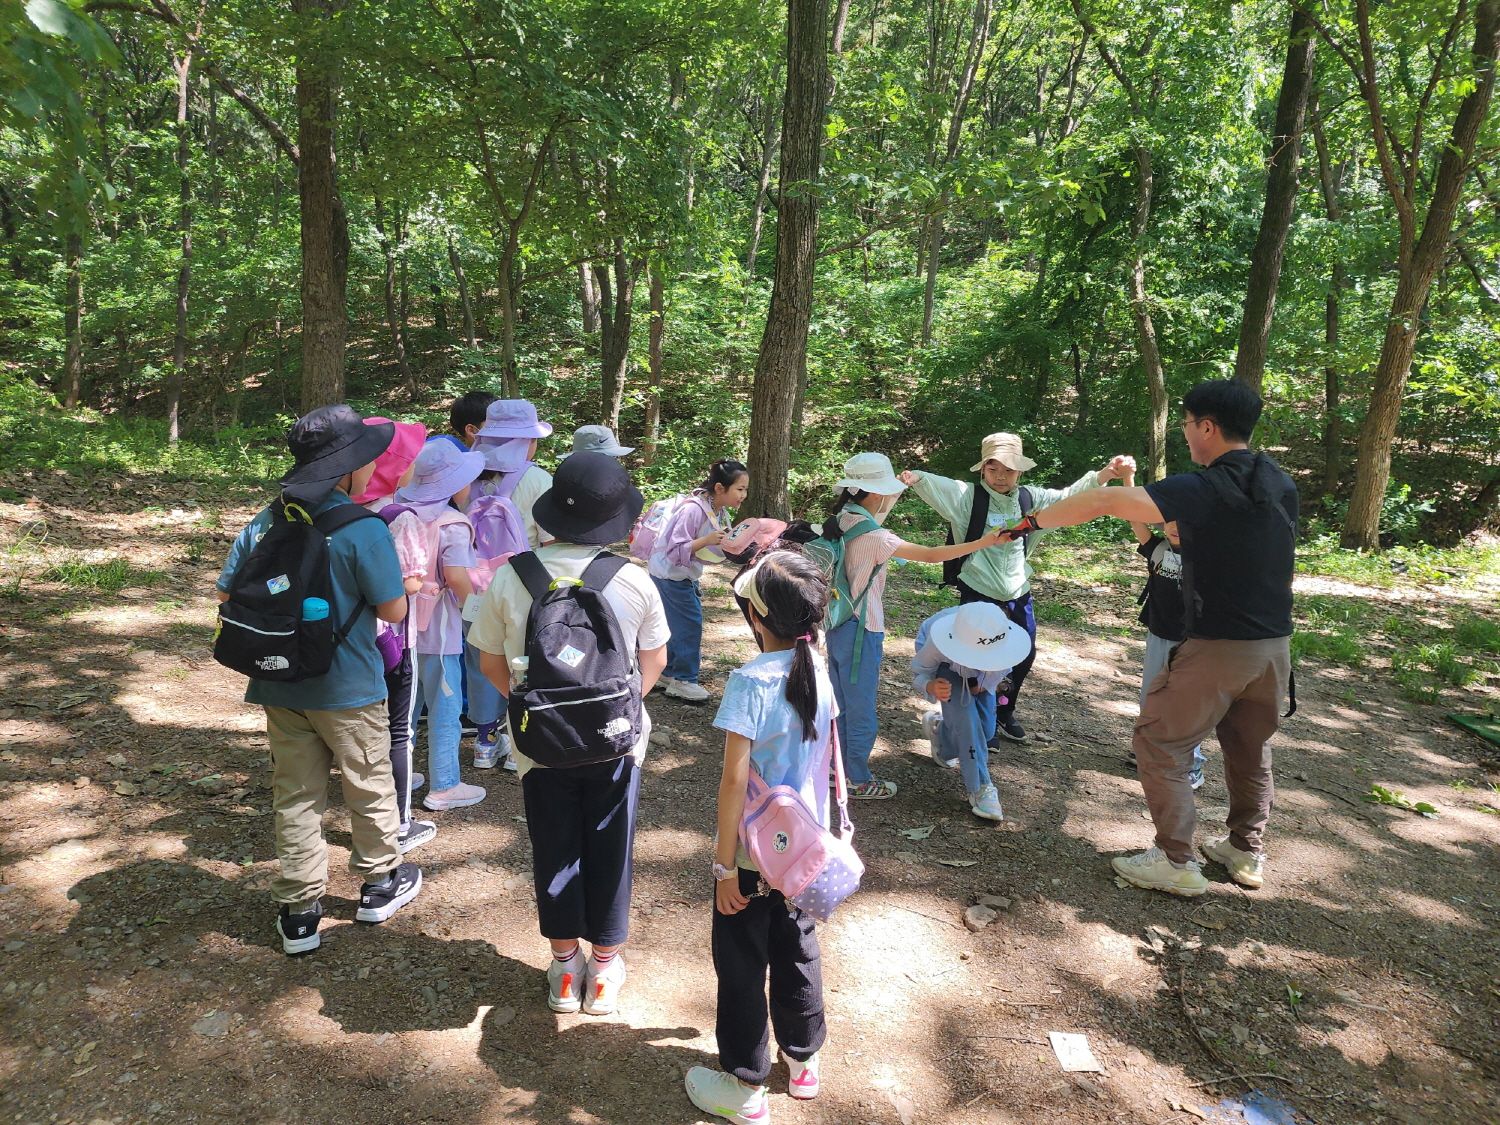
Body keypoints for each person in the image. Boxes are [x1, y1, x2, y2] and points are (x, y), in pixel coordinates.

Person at [992, 380, 1296, 895]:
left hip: (1216, 646)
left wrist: (1028, 523)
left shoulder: (1202, 488)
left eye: (1186, 424)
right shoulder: (1278, 482)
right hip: (1274, 649)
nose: (1186, 435)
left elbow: (1106, 501)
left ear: (1207, 426)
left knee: (1159, 742)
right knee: (1249, 749)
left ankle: (1176, 861)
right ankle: (1245, 849)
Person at [215, 404, 422, 955]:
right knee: (367, 781)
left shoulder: (265, 520)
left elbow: (226, 591)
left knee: (296, 794)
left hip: (278, 682)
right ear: (349, 469)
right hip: (349, 684)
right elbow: (394, 611)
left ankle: (300, 908)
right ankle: (379, 883)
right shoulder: (361, 528)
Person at [470, 452, 669, 1015]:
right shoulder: (632, 580)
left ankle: (563, 968)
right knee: (611, 843)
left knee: (555, 844)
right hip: (617, 742)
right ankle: (603, 971)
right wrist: (613, 711)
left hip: (539, 745)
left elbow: (490, 663)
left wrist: (538, 709)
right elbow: (653, 660)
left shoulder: (513, 575)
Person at [685, 550, 835, 1123]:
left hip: (751, 857)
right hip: (804, 853)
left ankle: (745, 1084)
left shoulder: (750, 680)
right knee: (797, 951)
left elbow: (733, 781)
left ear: (755, 617)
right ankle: (802, 1062)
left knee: (743, 961)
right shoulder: (819, 670)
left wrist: (725, 867)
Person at [900, 436, 1136, 745]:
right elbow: (939, 484)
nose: (1000, 476)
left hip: (1017, 589)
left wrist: (1105, 474)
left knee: (1022, 655)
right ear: (982, 469)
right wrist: (916, 477)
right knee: (978, 658)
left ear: (1020, 472)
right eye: (993, 468)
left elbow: (1069, 498)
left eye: (1009, 470)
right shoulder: (968, 497)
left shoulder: (1030, 499)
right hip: (978, 590)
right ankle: (982, 721)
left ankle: (1004, 711)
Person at [815, 453, 1007, 800]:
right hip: (863, 630)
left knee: (841, 702)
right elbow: (933, 554)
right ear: (876, 493)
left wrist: (894, 491)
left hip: (836, 623)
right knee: (860, 710)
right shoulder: (878, 537)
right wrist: (985, 541)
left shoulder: (841, 519)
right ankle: (856, 778)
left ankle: (836, 766)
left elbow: (877, 513)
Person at [353, 416, 438, 851]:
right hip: (394, 639)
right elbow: (407, 582)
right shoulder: (399, 517)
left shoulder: (338, 509)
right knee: (398, 730)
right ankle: (401, 822)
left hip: (347, 641)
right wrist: (421, 583)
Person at [396, 440, 489, 813]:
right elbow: (457, 579)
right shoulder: (453, 524)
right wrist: (480, 613)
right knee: (445, 707)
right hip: (439, 627)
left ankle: (397, 775)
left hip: (398, 625)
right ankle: (445, 784)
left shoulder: (398, 511)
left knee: (405, 705)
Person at [1123, 465, 1206, 790]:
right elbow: (1132, 515)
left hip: (1193, 642)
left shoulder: (1208, 556)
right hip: (1158, 634)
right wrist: (1128, 479)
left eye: (1183, 521)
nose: (1174, 526)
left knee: (1187, 706)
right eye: (1169, 520)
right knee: (1151, 699)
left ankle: (1192, 765)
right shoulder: (1157, 548)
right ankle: (1151, 753)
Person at [912, 602, 1032, 822]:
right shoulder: (938, 641)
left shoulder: (1002, 640)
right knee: (967, 724)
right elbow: (920, 671)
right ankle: (981, 788)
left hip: (983, 673)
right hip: (947, 667)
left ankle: (941, 734)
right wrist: (930, 686)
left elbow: (998, 675)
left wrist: (984, 684)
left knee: (985, 731)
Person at [648, 458, 747, 703]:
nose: (744, 495)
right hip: (670, 575)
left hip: (677, 574)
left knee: (676, 625)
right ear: (720, 488)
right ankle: (684, 679)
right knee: (689, 625)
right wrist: (706, 541)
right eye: (740, 489)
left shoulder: (715, 508)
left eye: (746, 490)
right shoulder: (693, 509)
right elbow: (675, 548)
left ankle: (668, 674)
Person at [471, 398, 554, 548]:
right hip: (521, 568)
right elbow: (550, 541)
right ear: (529, 440)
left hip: (472, 567)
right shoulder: (539, 479)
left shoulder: (465, 474)